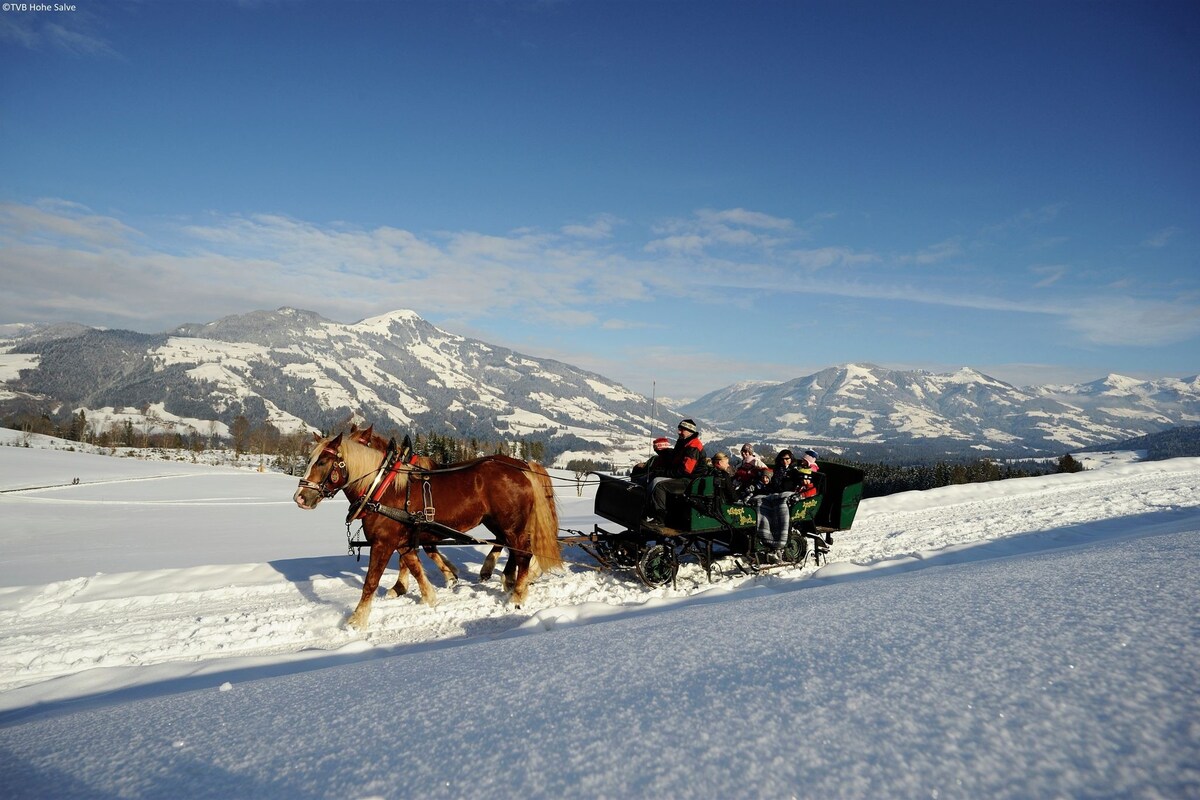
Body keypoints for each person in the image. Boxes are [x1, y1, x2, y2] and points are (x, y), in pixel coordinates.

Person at [648, 419, 706, 523]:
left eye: (682, 430)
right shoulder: (684, 442)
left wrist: (663, 473)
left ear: (689, 431)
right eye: (679, 429)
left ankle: (659, 518)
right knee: (651, 477)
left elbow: (686, 471)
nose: (679, 432)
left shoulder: (693, 446)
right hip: (683, 476)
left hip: (690, 480)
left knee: (660, 485)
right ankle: (648, 509)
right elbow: (675, 460)